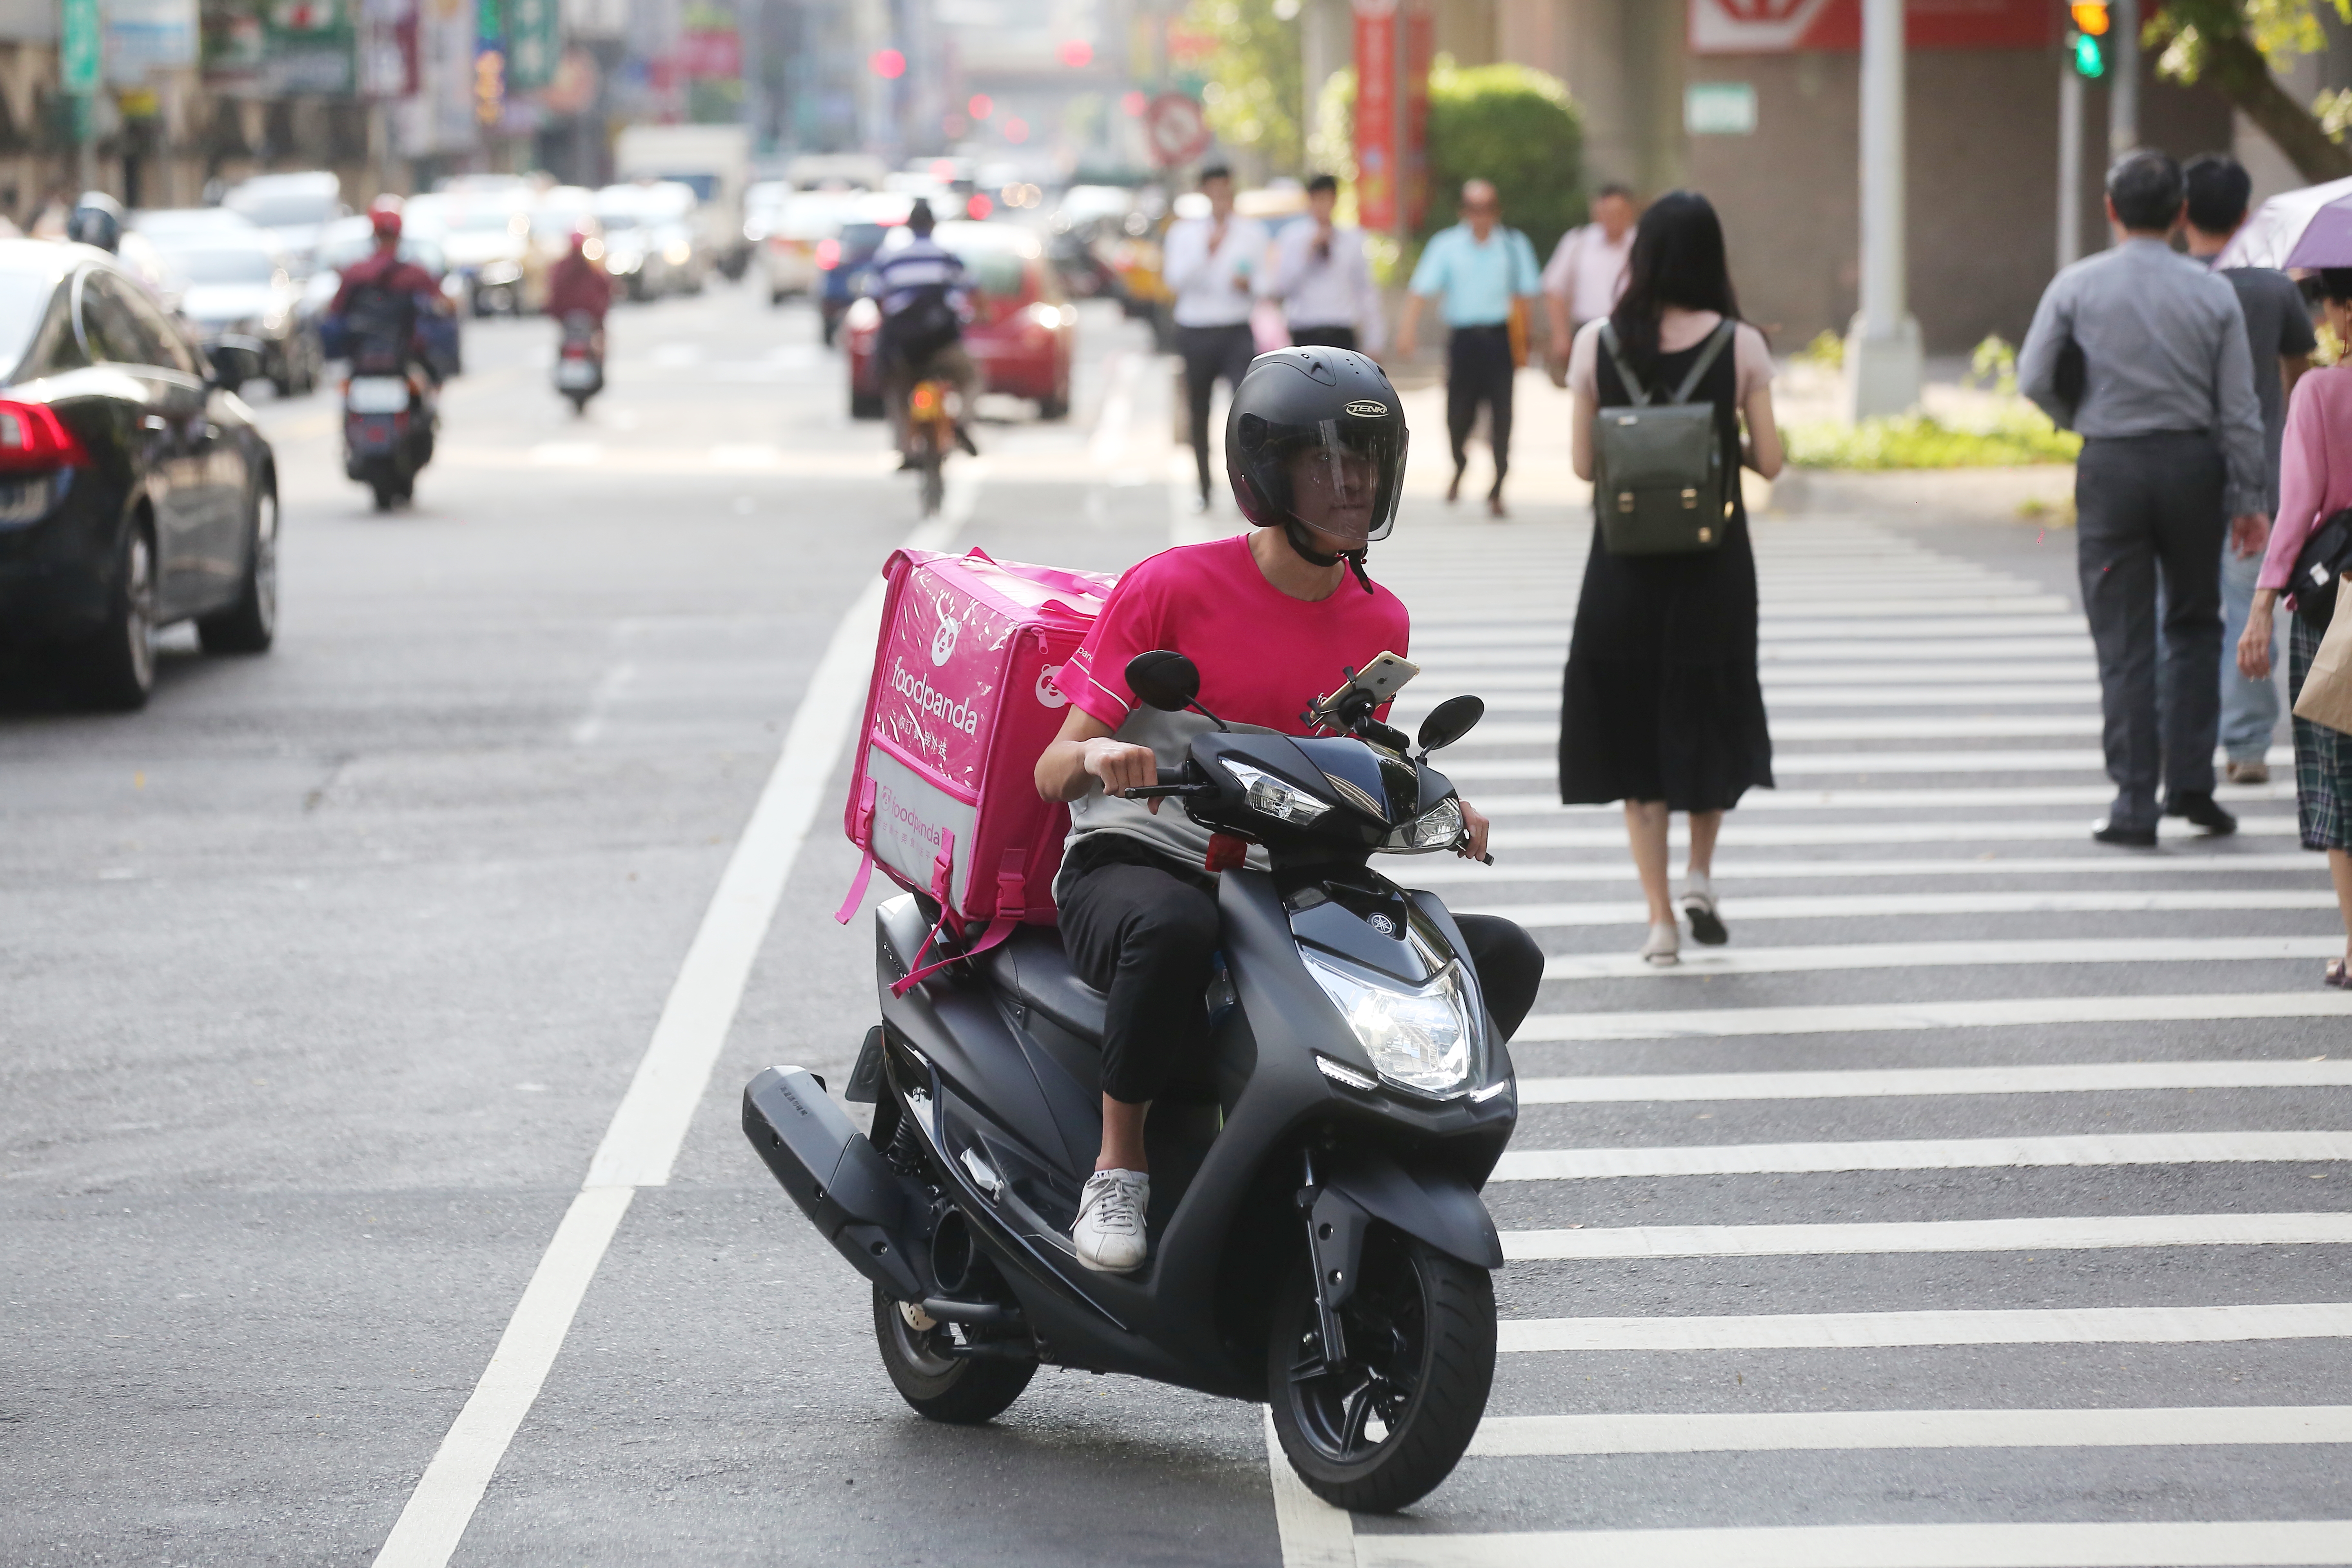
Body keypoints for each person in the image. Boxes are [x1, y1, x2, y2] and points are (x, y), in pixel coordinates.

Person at [1033, 347, 1544, 1273]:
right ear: (1265, 474)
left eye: (1365, 461)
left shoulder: (1377, 619)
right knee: (1170, 930)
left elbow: (1352, 765)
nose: (1350, 483)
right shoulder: (1170, 586)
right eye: (1322, 463)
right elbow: (1050, 766)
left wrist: (1434, 806)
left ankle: (1394, 1155)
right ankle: (1119, 1163)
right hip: (1146, 859)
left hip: (1288, 876)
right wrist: (1102, 756)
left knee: (1495, 955)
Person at [2019, 150, 2269, 848]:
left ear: (2110, 210)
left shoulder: (2076, 286)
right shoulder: (2212, 293)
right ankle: (2191, 785)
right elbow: (2240, 407)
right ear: (2182, 213)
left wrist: (2082, 418)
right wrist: (2250, 495)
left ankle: (2134, 802)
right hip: (2194, 466)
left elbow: (2034, 376)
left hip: (2112, 470)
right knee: (2194, 623)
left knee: (2125, 637)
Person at [1559, 191, 1781, 967]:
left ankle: (1659, 922)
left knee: (1636, 734)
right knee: (1708, 710)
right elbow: (1774, 462)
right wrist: (1713, 441)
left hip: (1623, 568)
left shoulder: (1595, 344)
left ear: (1642, 257)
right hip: (1712, 565)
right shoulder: (1742, 344)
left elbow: (1585, 465)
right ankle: (1700, 875)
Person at [2182, 153, 2315, 786]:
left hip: (2178, 474)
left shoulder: (2172, 285)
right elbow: (2300, 379)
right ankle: (2247, 747)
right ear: (2243, 215)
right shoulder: (2271, 287)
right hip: (2256, 476)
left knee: (2174, 611)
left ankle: (2180, 741)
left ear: (2182, 213)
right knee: (2248, 610)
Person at [2238, 267, 2352, 988]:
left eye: (2334, 304)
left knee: (2338, 777)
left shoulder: (2320, 392)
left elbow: (2300, 506)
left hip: (2337, 605)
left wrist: (2261, 603)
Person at [1395, 179, 1541, 517]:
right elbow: (1421, 289)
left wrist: (1528, 339)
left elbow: (1525, 296)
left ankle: (1499, 484)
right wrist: (1407, 331)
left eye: (1488, 208)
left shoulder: (1513, 245)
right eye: (1474, 209)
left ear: (1497, 210)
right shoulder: (1447, 246)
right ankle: (1460, 462)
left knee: (1502, 413)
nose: (1481, 216)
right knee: (1458, 412)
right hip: (1464, 340)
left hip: (1499, 337)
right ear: (1463, 212)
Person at [1163, 165, 1268, 510]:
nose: (1221, 198)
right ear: (1204, 193)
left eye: (1227, 190)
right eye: (1214, 190)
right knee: (1199, 410)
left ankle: (1249, 490)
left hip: (1236, 328)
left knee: (1246, 410)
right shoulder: (1185, 234)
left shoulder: (1252, 233)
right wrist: (1206, 251)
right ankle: (1204, 488)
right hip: (1196, 329)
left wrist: (1250, 285)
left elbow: (1269, 281)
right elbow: (1175, 279)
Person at [870, 198, 980, 466]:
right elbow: (972, 291)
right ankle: (962, 422)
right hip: (942, 342)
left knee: (896, 391)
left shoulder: (889, 257)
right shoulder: (946, 256)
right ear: (933, 225)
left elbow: (876, 297)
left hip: (904, 346)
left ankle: (906, 449)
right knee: (972, 378)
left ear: (908, 226)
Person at [325, 205, 446, 387]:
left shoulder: (356, 272)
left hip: (361, 351)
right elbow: (442, 304)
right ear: (400, 235)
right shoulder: (415, 273)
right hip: (405, 351)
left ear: (374, 234)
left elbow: (335, 310)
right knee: (435, 379)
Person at [1264, 173, 1382, 354]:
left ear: (1335, 201)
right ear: (1310, 201)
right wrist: (1307, 254)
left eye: (1327, 200)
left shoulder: (1352, 240)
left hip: (1341, 328)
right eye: (1318, 200)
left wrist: (1375, 338)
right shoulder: (1292, 238)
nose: (1323, 206)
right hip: (1305, 328)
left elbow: (1365, 290)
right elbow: (1281, 287)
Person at [1541, 183, 1637, 387]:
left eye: (1617, 213)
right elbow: (1555, 289)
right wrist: (1561, 336)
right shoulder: (1579, 241)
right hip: (1588, 331)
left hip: (1630, 332)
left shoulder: (1642, 244)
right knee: (1586, 391)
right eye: (1605, 212)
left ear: (1629, 212)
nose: (1611, 219)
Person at [544, 228, 613, 341]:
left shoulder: (562, 267)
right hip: (584, 316)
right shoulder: (593, 267)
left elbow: (553, 291)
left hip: (571, 316)